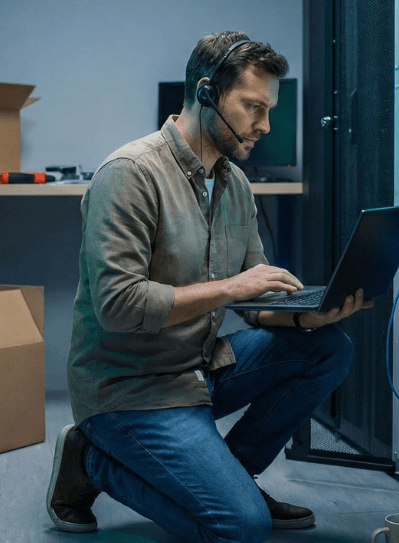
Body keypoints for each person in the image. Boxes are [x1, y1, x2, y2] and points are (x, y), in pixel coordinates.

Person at [47, 31, 373, 543]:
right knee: (240, 528)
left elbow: (255, 301)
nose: (264, 126)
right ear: (206, 94)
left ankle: (231, 479)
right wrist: (230, 286)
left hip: (199, 369)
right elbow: (118, 306)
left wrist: (309, 316)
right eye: (252, 107)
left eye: (269, 111)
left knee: (328, 348)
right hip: (130, 389)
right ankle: (91, 460)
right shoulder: (129, 175)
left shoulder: (234, 182)